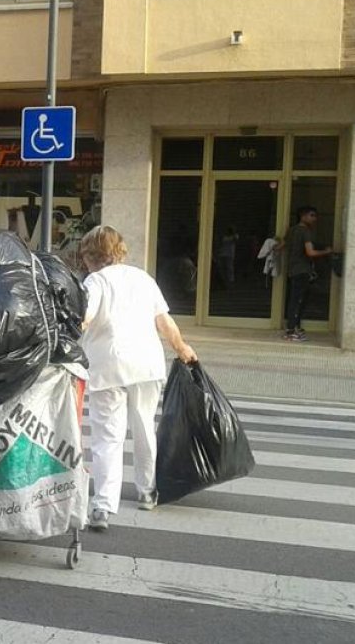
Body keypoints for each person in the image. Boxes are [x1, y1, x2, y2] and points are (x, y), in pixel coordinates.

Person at [79, 225, 197, 532]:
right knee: (145, 428)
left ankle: (104, 504)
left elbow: (84, 319)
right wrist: (182, 348)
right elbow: (164, 322)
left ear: (91, 256)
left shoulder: (95, 281)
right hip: (146, 363)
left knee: (108, 437)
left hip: (108, 366)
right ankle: (147, 491)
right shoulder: (143, 278)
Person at [283, 206, 333, 342]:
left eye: (315, 216)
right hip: (302, 270)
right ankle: (291, 331)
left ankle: (295, 327)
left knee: (296, 299)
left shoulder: (292, 230)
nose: (314, 219)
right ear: (303, 216)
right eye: (312, 215)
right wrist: (326, 252)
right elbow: (310, 252)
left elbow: (282, 245)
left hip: (293, 270)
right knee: (298, 300)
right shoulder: (305, 231)